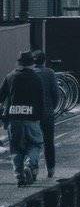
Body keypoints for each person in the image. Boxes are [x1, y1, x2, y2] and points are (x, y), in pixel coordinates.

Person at [0, 51, 45, 187]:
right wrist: (40, 117)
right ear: (32, 64)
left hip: (14, 118)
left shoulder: (10, 77)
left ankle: (19, 175)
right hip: (31, 118)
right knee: (35, 144)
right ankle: (30, 166)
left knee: (16, 147)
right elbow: (40, 100)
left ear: (18, 63)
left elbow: (1, 97)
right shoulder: (36, 78)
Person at [33, 50, 59, 178]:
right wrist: (52, 107)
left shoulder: (30, 73)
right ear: (44, 60)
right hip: (47, 113)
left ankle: (33, 168)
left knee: (33, 142)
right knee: (49, 142)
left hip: (32, 113)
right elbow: (55, 93)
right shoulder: (50, 73)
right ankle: (51, 169)